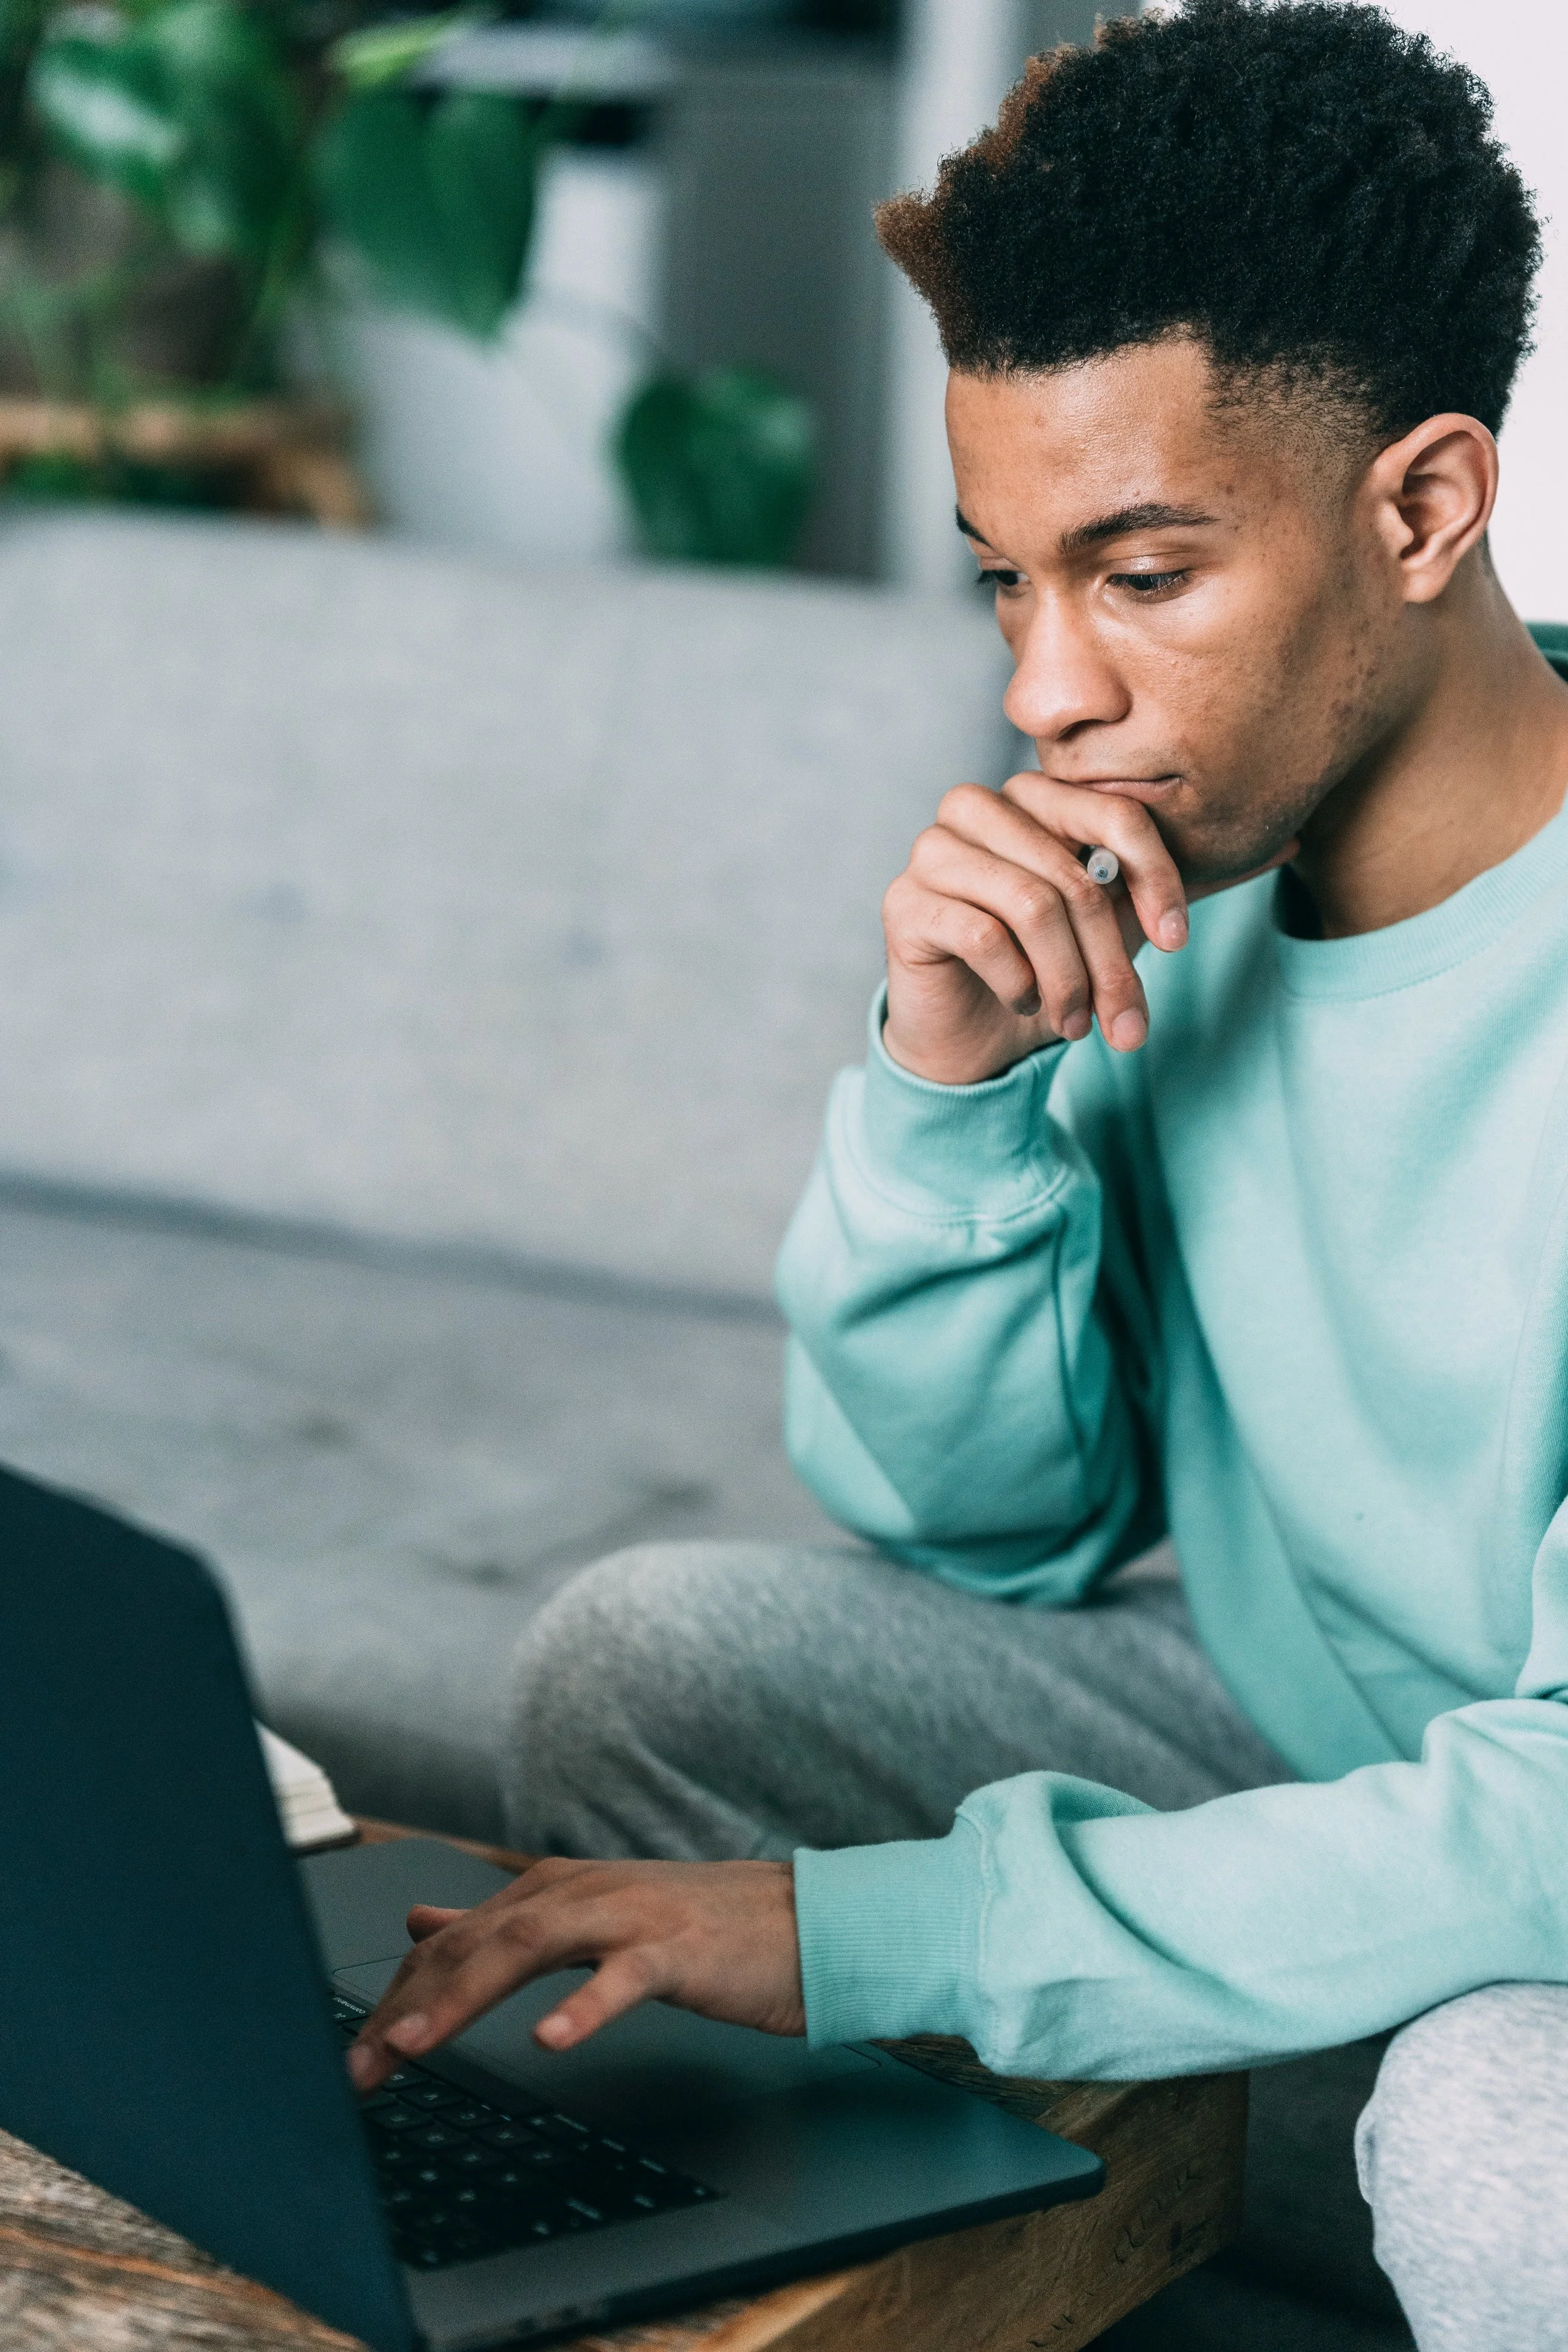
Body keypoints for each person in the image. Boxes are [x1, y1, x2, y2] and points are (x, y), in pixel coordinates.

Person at [349, 4, 1568, 2341]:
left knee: (1497, 2134)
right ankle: (1114, 2194)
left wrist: (858, 1936)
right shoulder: (1178, 880)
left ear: (1420, 507)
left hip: (1527, 1858)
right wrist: (945, 1095)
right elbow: (987, 1531)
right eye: (1007, 579)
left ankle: (1208, 2155)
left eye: (1140, 573)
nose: (1044, 692)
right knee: (654, 1660)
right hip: (1294, 1762)